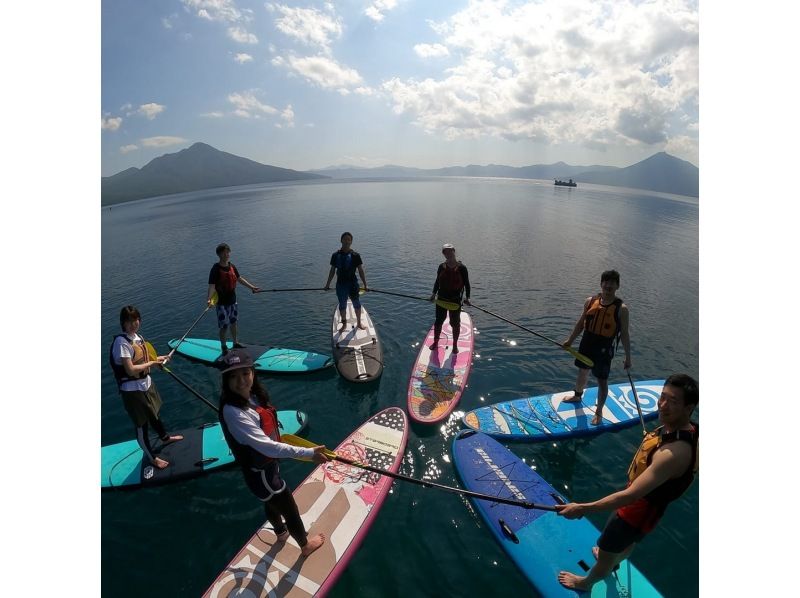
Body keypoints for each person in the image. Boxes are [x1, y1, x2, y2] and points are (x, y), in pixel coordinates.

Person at [554, 373, 699, 592]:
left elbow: (631, 497)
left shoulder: (673, 453)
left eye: (673, 401)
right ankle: (615, 557)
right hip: (649, 511)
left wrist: (581, 508)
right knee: (628, 542)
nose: (663, 405)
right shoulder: (688, 430)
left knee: (606, 550)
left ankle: (586, 582)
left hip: (637, 510)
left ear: (689, 408)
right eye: (663, 397)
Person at [218, 349, 331, 556]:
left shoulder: (251, 397)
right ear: (226, 380)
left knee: (270, 500)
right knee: (289, 508)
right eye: (233, 376)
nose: (241, 380)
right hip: (262, 474)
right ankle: (305, 546)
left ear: (252, 372)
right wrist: (309, 453)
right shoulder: (234, 412)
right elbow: (268, 447)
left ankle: (280, 532)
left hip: (263, 469)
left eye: (245, 373)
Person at [109, 305, 183, 469]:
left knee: (154, 414)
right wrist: (152, 363)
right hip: (132, 391)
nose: (133, 324)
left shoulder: (138, 338)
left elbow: (147, 358)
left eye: (135, 320)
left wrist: (160, 359)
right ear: (123, 323)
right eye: (129, 321)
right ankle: (151, 458)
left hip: (146, 385)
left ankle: (164, 438)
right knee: (142, 425)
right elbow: (130, 369)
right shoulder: (122, 343)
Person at [562, 269, 631, 424]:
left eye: (612, 283)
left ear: (617, 286)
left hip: (604, 347)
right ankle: (577, 395)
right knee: (582, 372)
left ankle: (599, 411)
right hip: (587, 342)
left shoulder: (622, 309)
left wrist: (628, 357)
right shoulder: (590, 301)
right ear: (601, 284)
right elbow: (581, 324)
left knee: (602, 380)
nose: (608, 286)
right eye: (606, 282)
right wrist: (570, 340)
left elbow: (625, 334)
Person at [208, 243, 261, 355]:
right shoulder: (215, 269)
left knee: (234, 323)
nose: (227, 254)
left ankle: (235, 342)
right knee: (224, 326)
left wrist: (252, 287)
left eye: (228, 252)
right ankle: (223, 346)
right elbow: (212, 286)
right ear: (219, 254)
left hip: (233, 301)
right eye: (225, 252)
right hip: (221, 303)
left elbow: (239, 278)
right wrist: (209, 300)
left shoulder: (232, 266)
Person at [428, 243, 471, 353]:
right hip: (441, 299)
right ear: (443, 254)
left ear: (454, 251)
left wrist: (468, 298)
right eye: (445, 252)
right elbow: (437, 281)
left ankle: (455, 345)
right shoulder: (441, 267)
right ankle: (436, 342)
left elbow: (467, 284)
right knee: (438, 322)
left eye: (449, 251)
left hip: (455, 301)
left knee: (455, 324)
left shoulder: (462, 268)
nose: (447, 253)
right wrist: (433, 294)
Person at [324, 232, 368, 332]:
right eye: (345, 239)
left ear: (351, 241)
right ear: (341, 240)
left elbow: (361, 271)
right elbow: (332, 271)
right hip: (341, 285)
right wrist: (327, 284)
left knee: (357, 304)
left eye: (349, 239)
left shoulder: (356, 255)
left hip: (353, 284)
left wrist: (365, 285)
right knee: (342, 305)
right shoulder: (335, 255)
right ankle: (344, 324)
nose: (347, 241)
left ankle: (359, 323)